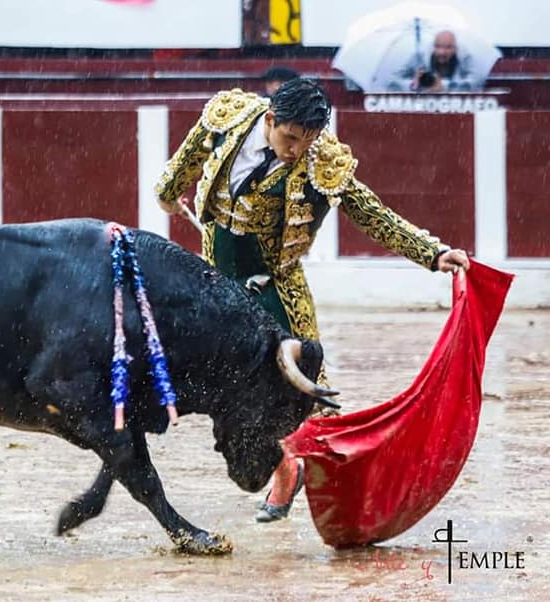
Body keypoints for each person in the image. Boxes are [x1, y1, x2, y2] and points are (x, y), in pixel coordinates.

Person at [155, 78, 469, 522]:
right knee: (224, 381)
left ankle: (330, 486)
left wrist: (432, 253)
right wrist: (169, 194)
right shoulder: (228, 118)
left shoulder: (322, 163)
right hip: (218, 277)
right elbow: (186, 161)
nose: (296, 151)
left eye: (306, 141)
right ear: (270, 120)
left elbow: (370, 212)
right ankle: (286, 467)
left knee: (306, 386)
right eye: (289, 138)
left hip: (276, 283)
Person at [393, 30, 485, 92]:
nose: (442, 52)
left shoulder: (465, 58)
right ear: (433, 46)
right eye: (438, 46)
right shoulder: (419, 58)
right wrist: (414, 84)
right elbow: (394, 81)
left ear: (455, 48)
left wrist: (445, 88)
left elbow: (476, 82)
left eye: (448, 47)